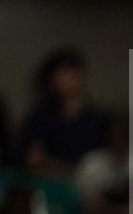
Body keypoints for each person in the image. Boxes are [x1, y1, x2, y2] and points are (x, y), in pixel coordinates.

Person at [19, 49, 110, 178]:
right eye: (57, 74)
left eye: (67, 73)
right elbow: (34, 159)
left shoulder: (98, 119)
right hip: (51, 182)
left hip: (90, 185)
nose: (61, 79)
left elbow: (104, 161)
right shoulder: (40, 117)